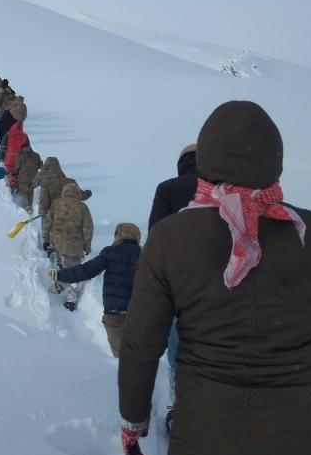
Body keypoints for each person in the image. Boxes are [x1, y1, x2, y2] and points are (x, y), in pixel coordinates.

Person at [118, 101, 311, 455]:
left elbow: (141, 343)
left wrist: (133, 420)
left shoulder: (169, 239)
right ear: (275, 160)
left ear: (206, 160)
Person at [147, 142, 198, 430]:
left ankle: (181, 409)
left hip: (178, 288)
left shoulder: (168, 190)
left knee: (179, 347)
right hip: (223, 287)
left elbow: (157, 240)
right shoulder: (227, 192)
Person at [47, 222, 141, 353]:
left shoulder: (111, 253)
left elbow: (86, 271)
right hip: (139, 314)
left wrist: (60, 275)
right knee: (138, 353)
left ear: (118, 236)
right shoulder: (145, 256)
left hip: (114, 314)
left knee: (120, 356)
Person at [43, 182, 94, 310]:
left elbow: (47, 222)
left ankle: (58, 286)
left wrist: (46, 239)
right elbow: (88, 228)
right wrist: (87, 246)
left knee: (63, 264)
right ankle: (70, 299)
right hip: (74, 244)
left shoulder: (56, 204)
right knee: (74, 271)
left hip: (58, 242)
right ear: (77, 193)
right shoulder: (82, 207)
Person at [148, 143, 197, 230]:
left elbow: (155, 228)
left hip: (176, 242)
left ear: (181, 164)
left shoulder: (165, 188)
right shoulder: (220, 187)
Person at [14, 142, 42, 212]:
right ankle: (31, 205)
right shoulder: (36, 155)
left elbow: (17, 167)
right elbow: (40, 166)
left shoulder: (20, 155)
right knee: (31, 191)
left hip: (23, 178)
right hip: (34, 177)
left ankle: (27, 206)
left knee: (23, 192)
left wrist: (14, 173)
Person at [0, 122, 28, 191]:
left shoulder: (8, 134)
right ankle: (18, 184)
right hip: (20, 160)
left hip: (9, 159)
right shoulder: (24, 136)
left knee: (10, 171)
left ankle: (11, 182)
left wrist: (1, 157)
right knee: (18, 172)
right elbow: (28, 149)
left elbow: (3, 146)